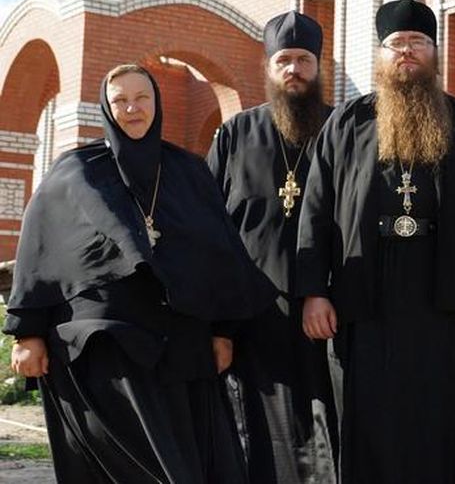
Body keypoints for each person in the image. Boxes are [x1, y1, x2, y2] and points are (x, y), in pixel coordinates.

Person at [4, 64, 276, 483]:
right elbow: (39, 253)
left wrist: (224, 332)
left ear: (157, 102)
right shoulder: (75, 172)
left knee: (185, 470)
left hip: (181, 348)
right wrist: (27, 333)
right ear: (106, 108)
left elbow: (220, 254)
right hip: (104, 349)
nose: (132, 108)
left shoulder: (188, 172)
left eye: (142, 97)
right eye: (121, 100)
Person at [295, 0, 455, 483]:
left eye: (418, 41)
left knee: (440, 428)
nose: (407, 51)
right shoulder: (347, 123)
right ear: (381, 54)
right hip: (364, 301)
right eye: (397, 43)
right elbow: (316, 212)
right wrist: (313, 291)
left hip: (445, 300)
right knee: (369, 428)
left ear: (434, 52)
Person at [207, 11, 338, 482]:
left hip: (327, 314)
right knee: (257, 436)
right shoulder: (235, 134)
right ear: (268, 67)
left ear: (319, 66)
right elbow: (210, 231)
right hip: (253, 319)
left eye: (304, 59)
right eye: (284, 60)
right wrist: (218, 326)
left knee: (327, 432)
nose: (294, 69)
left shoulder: (343, 129)